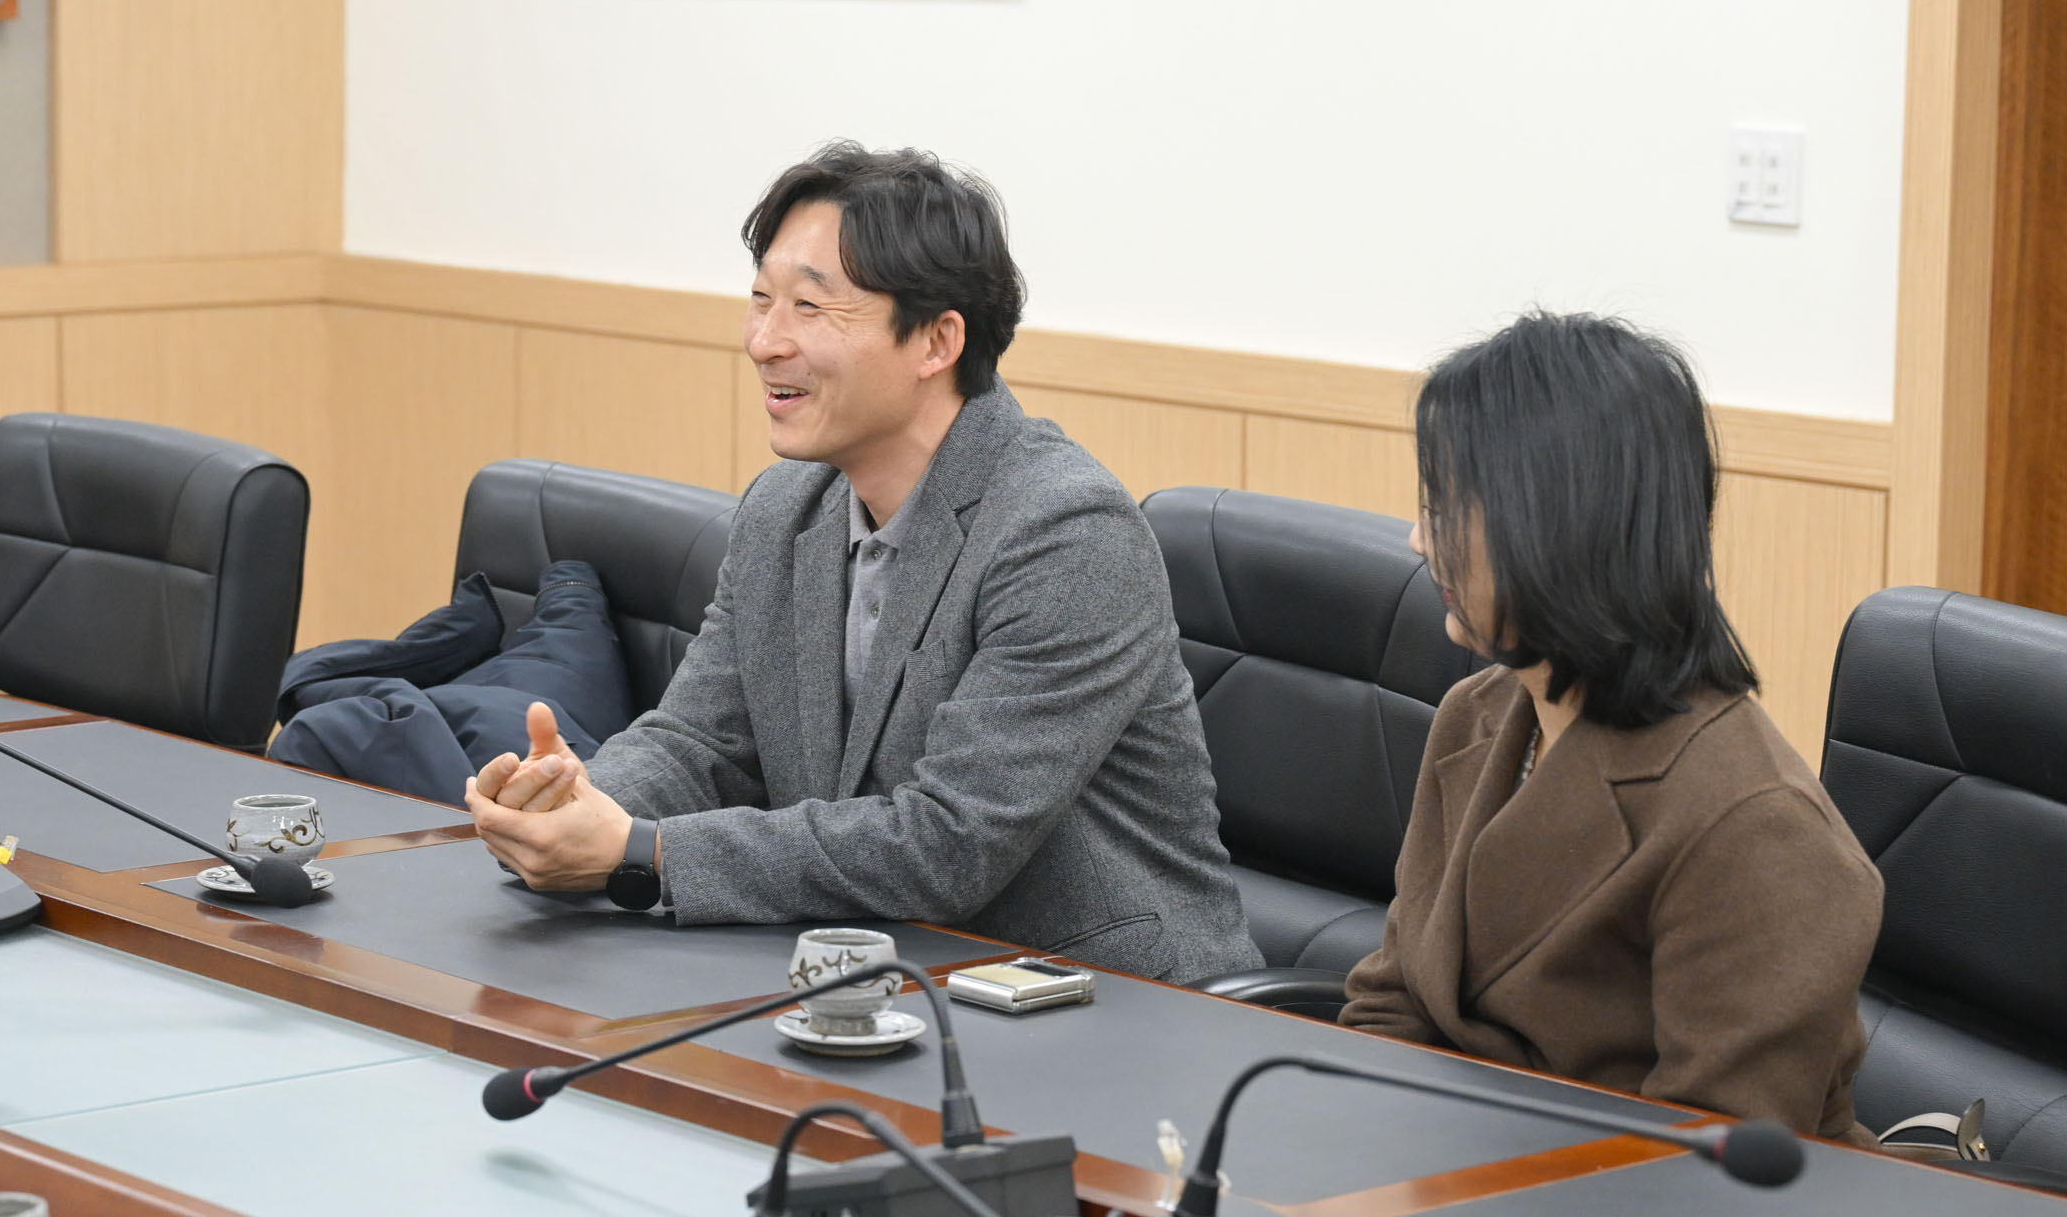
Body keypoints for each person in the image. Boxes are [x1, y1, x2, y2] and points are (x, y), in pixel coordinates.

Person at [466, 141, 1261, 983]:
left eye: (811, 308)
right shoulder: (784, 507)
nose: (765, 341)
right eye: (761, 299)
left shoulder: (1066, 533)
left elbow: (948, 843)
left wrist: (638, 850)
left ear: (936, 341)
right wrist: (572, 802)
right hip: (882, 970)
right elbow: (701, 741)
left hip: (1105, 998)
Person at [1340, 312, 1882, 1142]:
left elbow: (1706, 1164)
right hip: (1455, 1161)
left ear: (1559, 525)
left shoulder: (1757, 826)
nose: (1417, 540)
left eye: (1444, 510)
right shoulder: (1476, 715)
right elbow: (1395, 997)